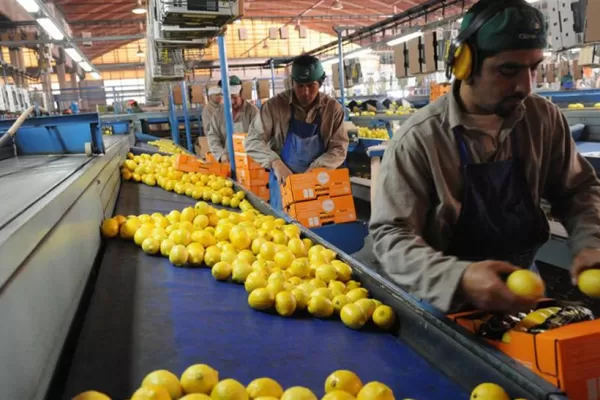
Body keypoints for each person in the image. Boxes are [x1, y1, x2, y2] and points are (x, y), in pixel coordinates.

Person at [369, 0, 600, 314]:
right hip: (443, 297)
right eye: (508, 70)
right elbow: (391, 236)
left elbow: (578, 190)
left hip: (522, 287)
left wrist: (590, 241)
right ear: (465, 65)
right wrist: (458, 278)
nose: (526, 86)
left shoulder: (542, 119)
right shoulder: (420, 139)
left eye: (534, 68)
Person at [245, 54, 349, 210]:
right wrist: (275, 163)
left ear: (320, 83)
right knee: (284, 228)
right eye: (300, 86)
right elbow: (252, 141)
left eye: (311, 85)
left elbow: (339, 148)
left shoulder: (332, 109)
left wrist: (315, 169)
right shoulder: (274, 107)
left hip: (320, 182)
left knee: (319, 225)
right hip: (284, 184)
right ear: (292, 83)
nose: (305, 92)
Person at [206, 75, 259, 163]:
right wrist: (221, 155)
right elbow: (213, 137)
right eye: (228, 98)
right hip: (227, 161)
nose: (232, 102)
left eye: (234, 97)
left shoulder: (252, 112)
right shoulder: (218, 114)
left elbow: (260, 137)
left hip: (249, 161)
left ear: (241, 95)